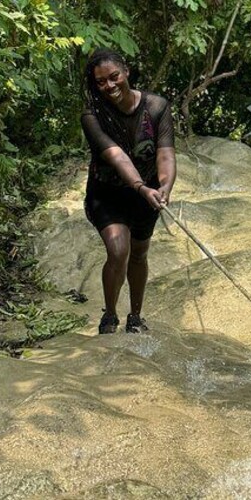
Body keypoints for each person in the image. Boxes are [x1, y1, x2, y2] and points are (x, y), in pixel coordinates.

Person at [81, 49, 176, 334]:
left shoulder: (157, 107)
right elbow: (116, 155)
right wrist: (140, 187)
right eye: (101, 82)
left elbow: (166, 154)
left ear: (126, 71)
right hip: (108, 192)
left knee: (139, 253)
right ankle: (110, 315)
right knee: (118, 249)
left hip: (146, 194)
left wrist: (165, 187)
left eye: (114, 77)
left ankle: (135, 316)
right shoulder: (92, 114)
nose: (109, 86)